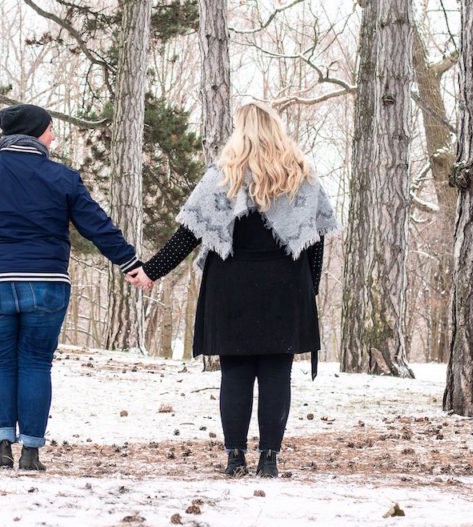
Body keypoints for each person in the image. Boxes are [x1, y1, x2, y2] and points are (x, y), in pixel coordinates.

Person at [127, 102, 338, 478]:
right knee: (276, 372)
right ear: (277, 130)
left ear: (241, 133)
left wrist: (151, 271)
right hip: (285, 288)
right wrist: (310, 290)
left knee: (235, 373)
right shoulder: (301, 177)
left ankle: (235, 457)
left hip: (231, 288)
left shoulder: (222, 176)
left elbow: (188, 235)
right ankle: (269, 459)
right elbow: (315, 242)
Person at [0, 104, 141, 471]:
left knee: (0, 363)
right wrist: (129, 262)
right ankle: (31, 453)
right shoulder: (61, 177)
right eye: (51, 130)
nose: (54, 137)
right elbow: (96, 225)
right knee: (36, 362)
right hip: (46, 283)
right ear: (36, 132)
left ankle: (1, 447)